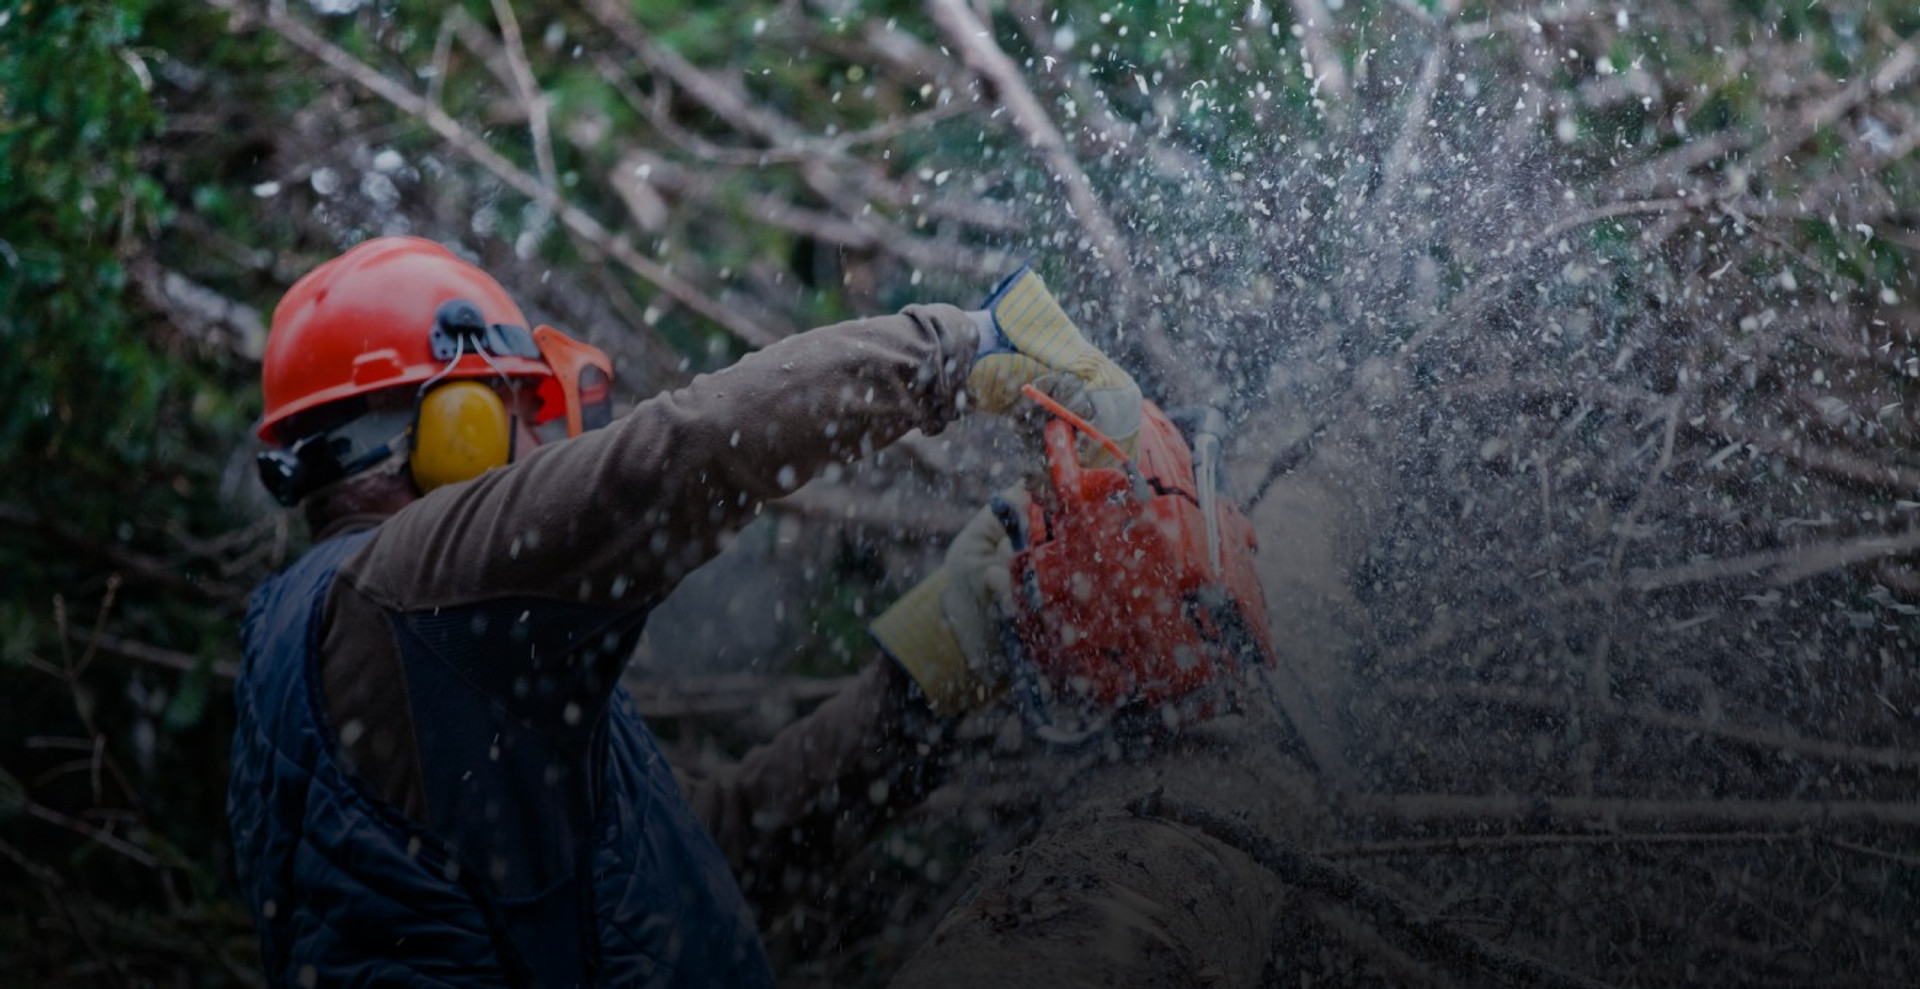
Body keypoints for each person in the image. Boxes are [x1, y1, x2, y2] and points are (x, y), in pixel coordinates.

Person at [226, 235, 1141, 987]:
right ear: (449, 424)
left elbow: (693, 866)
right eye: (515, 408)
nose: (540, 441)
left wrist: (934, 667)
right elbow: (678, 456)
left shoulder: (416, 654)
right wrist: (962, 348)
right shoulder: (405, 592)